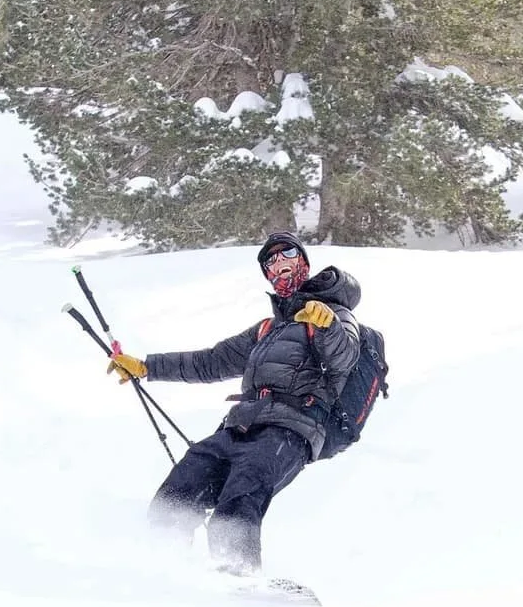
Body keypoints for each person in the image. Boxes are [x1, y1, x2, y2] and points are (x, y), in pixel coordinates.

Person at [106, 231, 362, 576]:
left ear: (303, 261)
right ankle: (161, 569)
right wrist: (146, 367)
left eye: (288, 253)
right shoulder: (267, 329)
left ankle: (240, 581)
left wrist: (328, 324)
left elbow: (344, 358)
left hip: (291, 429)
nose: (280, 263)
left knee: (239, 499)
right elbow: (210, 362)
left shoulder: (335, 314)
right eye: (270, 261)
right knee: (180, 487)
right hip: (241, 426)